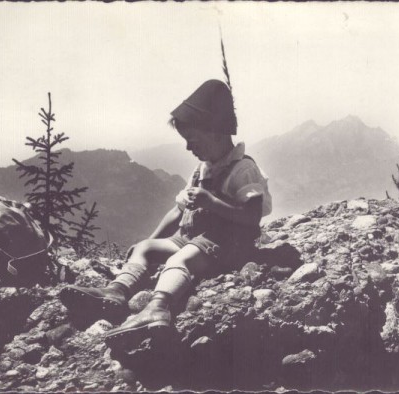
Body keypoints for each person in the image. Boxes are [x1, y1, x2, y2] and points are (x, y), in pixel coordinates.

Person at [60, 79, 272, 348]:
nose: (188, 148)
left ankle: (158, 308)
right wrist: (148, 242)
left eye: (193, 140)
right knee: (146, 248)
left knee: (179, 261)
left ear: (217, 133)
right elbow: (177, 210)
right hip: (192, 238)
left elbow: (252, 218)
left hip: (225, 244)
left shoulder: (243, 170)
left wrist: (212, 203)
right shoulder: (202, 169)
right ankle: (116, 292)